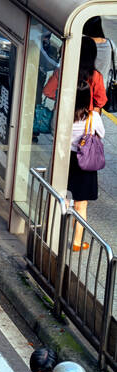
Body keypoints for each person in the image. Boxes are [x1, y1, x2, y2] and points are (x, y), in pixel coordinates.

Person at [69, 81, 104, 250]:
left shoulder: (65, 114)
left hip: (67, 159)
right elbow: (102, 134)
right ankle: (77, 242)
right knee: (81, 204)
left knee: (61, 196)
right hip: (85, 162)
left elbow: (55, 130)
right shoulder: (93, 117)